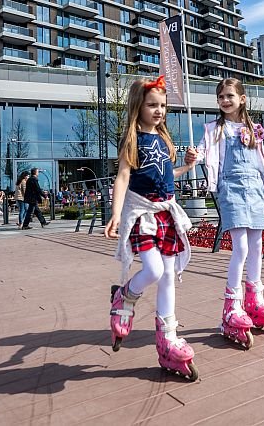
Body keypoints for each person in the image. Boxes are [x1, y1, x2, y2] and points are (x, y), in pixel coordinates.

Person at [103, 75, 197, 380]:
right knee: (154, 271)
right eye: (152, 105)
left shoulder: (164, 139)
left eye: (163, 105)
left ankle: (168, 339)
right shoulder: (132, 139)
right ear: (138, 106)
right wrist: (116, 214)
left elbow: (167, 174)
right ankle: (126, 296)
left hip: (165, 213)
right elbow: (123, 178)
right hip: (144, 215)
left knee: (169, 275)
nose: (159, 110)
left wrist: (188, 164)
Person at [185, 77, 264, 350]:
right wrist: (194, 155)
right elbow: (207, 152)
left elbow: (261, 162)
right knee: (240, 247)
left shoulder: (254, 130)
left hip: (254, 190)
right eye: (221, 97)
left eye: (230, 95)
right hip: (231, 189)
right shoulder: (215, 128)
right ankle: (232, 306)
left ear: (242, 98)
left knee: (256, 245)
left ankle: (255, 300)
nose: (225, 100)